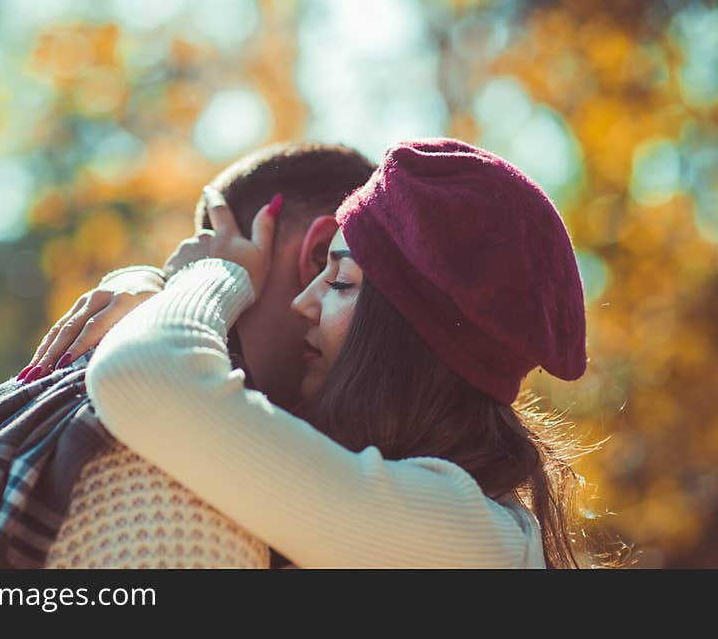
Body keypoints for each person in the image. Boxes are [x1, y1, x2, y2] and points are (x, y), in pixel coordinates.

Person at [82, 138, 595, 568]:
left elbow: (140, 377)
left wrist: (211, 275)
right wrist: (144, 280)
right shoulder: (447, 511)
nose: (304, 302)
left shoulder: (466, 537)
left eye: (342, 282)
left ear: (413, 337)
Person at [0, 142, 375, 568]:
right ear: (316, 257)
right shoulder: (191, 493)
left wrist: (159, 281)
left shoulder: (50, 422)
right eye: (346, 281)